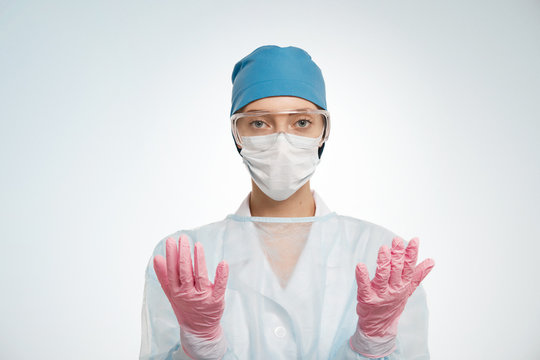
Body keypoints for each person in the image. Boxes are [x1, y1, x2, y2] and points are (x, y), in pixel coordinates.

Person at [139, 45, 435, 360]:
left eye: (302, 122)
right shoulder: (183, 258)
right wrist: (198, 348)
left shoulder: (385, 255)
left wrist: (373, 346)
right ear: (236, 133)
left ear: (325, 130)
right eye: (258, 123)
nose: (282, 139)